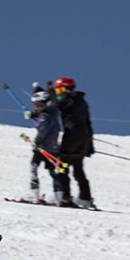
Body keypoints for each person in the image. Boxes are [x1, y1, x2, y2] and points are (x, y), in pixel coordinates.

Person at [53, 76, 95, 209]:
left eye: (59, 90)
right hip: (84, 139)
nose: (59, 93)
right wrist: (90, 145)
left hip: (71, 137)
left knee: (62, 167)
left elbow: (54, 108)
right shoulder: (82, 102)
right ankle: (85, 198)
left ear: (66, 88)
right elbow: (88, 123)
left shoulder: (67, 99)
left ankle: (65, 197)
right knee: (78, 169)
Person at [25, 90, 64, 204]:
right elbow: (43, 115)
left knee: (33, 167)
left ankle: (34, 194)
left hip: (42, 147)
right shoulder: (53, 113)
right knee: (52, 171)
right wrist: (33, 114)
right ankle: (59, 197)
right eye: (36, 105)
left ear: (46, 103)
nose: (38, 107)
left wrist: (36, 142)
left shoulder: (45, 116)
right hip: (53, 147)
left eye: (40, 104)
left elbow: (43, 130)